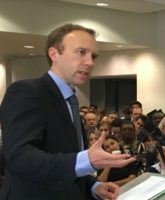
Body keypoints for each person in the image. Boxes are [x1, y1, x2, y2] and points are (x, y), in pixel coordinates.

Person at [0, 24, 135, 200]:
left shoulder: (71, 100)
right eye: (81, 52)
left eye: (93, 56)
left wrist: (92, 186)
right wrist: (87, 160)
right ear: (54, 54)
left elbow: (65, 161)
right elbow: (20, 157)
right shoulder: (26, 92)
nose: (90, 62)